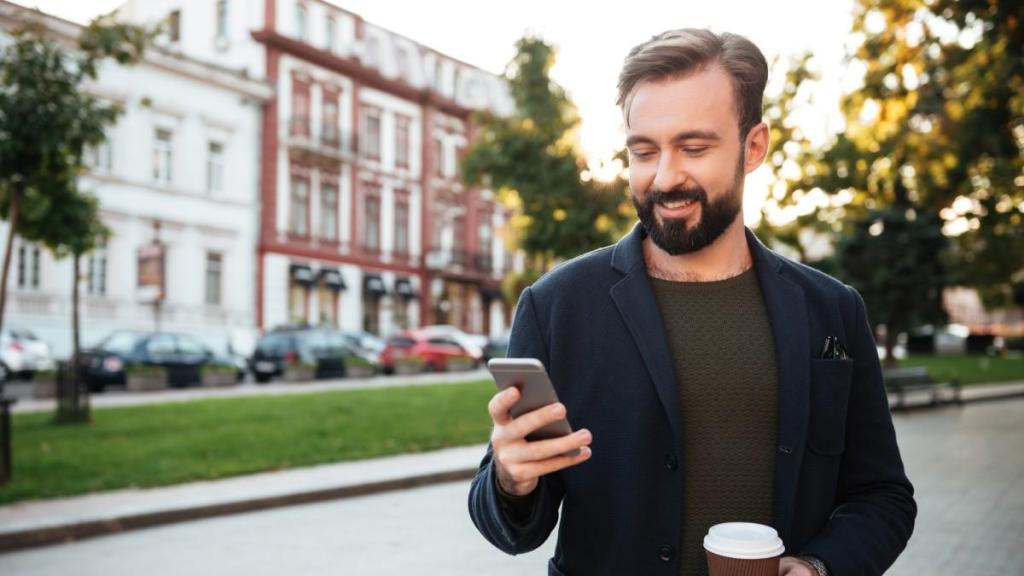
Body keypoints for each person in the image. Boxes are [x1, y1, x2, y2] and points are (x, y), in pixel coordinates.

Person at [467, 28, 916, 576]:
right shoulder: (557, 305)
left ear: (753, 147)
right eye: (644, 151)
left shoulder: (832, 309)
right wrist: (512, 479)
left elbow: (883, 496)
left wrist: (821, 567)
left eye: (694, 147)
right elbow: (512, 528)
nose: (665, 176)